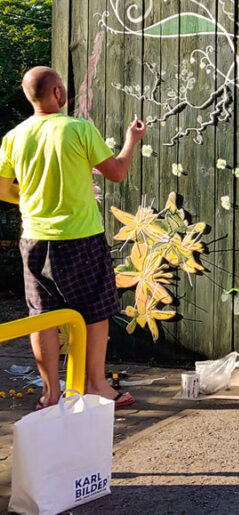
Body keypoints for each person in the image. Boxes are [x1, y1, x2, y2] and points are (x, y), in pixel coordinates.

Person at [0, 66, 145, 409]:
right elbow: (117, 173)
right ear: (58, 94)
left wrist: (37, 197)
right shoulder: (78, 128)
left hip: (34, 238)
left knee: (42, 315)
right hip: (80, 237)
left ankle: (51, 395)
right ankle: (94, 384)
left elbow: (4, 189)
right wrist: (131, 141)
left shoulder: (14, 137)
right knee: (96, 310)